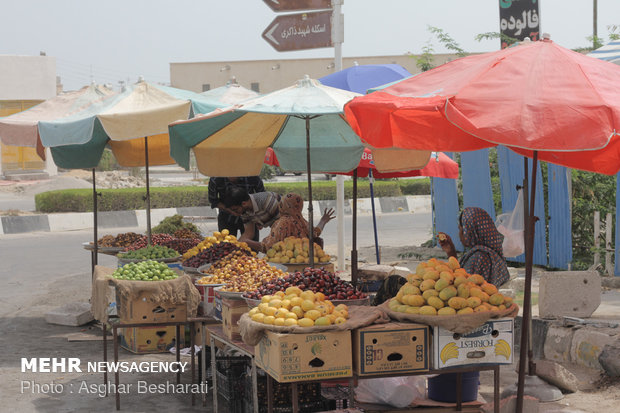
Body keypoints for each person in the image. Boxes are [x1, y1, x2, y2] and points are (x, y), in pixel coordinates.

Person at [438, 206, 510, 287]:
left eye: (460, 229)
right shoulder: (493, 254)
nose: (459, 234)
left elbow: (460, 286)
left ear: (469, 231)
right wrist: (451, 252)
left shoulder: (478, 257)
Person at [259, 193, 335, 253]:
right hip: (304, 258)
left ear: (282, 205)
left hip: (285, 261)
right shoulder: (301, 221)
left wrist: (248, 241)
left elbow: (269, 247)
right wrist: (323, 221)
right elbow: (314, 233)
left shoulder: (282, 222)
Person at [208, 176, 264, 241]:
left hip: (250, 217)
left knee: (251, 248)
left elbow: (261, 198)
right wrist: (230, 210)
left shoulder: (252, 176)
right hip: (226, 218)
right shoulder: (216, 178)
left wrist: (259, 218)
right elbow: (213, 200)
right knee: (226, 247)